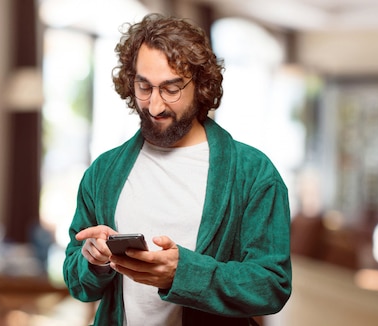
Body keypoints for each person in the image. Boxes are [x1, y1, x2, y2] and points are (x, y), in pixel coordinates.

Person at [62, 13, 292, 326]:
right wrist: (94, 261)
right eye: (144, 87)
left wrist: (183, 274)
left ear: (200, 85)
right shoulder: (103, 172)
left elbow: (272, 286)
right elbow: (78, 284)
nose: (154, 106)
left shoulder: (254, 174)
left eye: (171, 89)